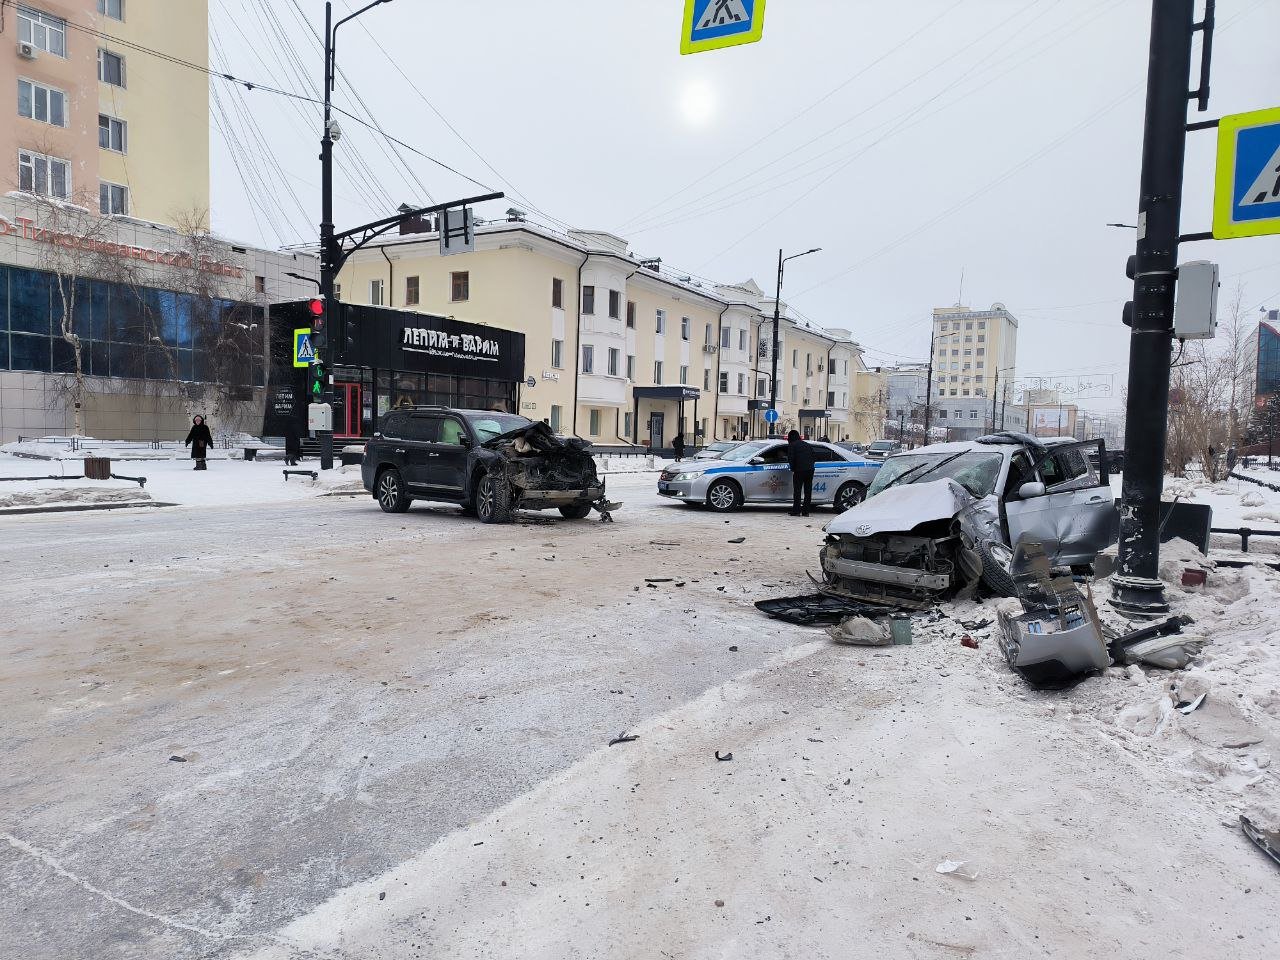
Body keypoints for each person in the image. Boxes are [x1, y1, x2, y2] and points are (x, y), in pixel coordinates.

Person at [786, 429, 816, 517]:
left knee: (797, 491)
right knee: (808, 491)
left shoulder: (792, 445)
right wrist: (810, 465)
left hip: (799, 470)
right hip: (810, 470)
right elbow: (814, 456)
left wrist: (792, 468)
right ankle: (806, 511)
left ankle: (796, 511)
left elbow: (791, 458)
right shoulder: (806, 444)